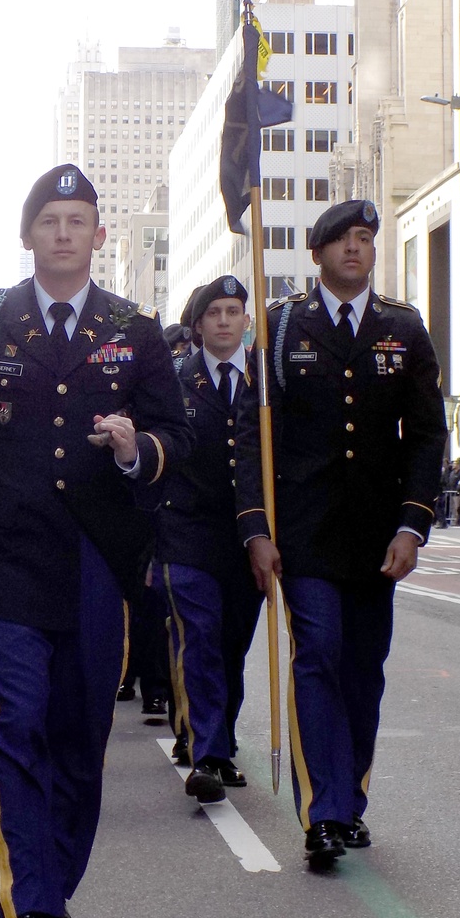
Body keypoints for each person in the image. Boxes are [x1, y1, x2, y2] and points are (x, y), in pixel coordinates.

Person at [0, 163, 192, 918]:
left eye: (79, 220)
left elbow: (176, 438)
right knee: (17, 725)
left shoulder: (135, 330)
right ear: (29, 235)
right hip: (9, 556)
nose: (65, 232)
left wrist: (134, 448)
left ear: (100, 236)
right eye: (51, 220)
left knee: (80, 735)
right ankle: (27, 907)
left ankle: (56, 884)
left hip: (97, 562)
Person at [235, 199, 447, 869]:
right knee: (318, 653)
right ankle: (321, 810)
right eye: (342, 241)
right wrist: (256, 530)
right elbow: (249, 436)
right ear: (317, 254)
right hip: (304, 534)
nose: (356, 249)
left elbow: (427, 433)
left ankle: (349, 795)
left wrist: (413, 522)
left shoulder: (403, 329)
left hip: (376, 535)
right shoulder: (278, 328)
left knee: (363, 670)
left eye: (365, 239)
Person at [153, 275, 264, 803]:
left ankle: (216, 735)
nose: (225, 320)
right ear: (197, 326)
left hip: (246, 536)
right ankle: (209, 755)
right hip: (187, 530)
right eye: (215, 312)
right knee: (198, 636)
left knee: (232, 645)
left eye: (234, 310)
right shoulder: (175, 381)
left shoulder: (267, 381)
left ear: (246, 320)